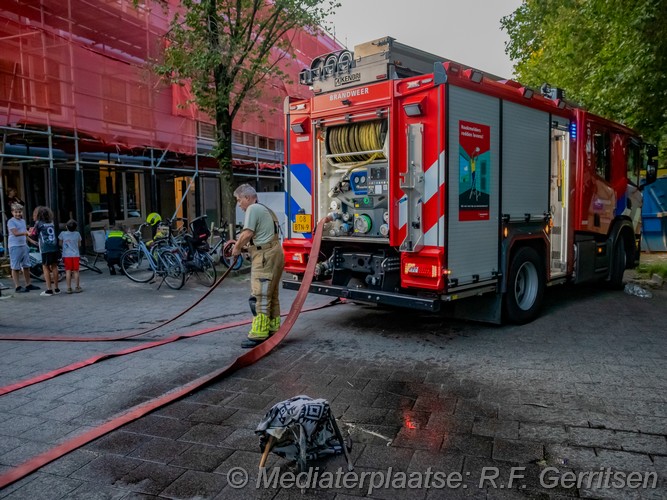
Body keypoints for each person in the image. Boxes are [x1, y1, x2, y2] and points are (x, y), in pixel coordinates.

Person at [231, 184, 284, 348]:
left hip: (264, 257)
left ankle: (259, 333)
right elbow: (263, 235)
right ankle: (273, 328)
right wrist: (248, 248)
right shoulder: (266, 209)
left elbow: (247, 233)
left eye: (239, 200)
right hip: (275, 253)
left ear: (247, 198)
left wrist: (237, 248)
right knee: (271, 294)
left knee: (259, 295)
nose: (239, 205)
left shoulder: (253, 209)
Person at [6, 203, 40, 293]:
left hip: (23, 245)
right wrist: (26, 233)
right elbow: (15, 233)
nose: (18, 214)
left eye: (19, 212)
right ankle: (17, 286)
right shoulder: (11, 222)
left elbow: (24, 233)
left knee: (26, 266)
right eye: (16, 212)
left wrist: (31, 241)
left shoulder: (23, 221)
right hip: (14, 245)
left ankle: (28, 284)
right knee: (15, 267)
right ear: (12, 212)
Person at [32, 206, 60, 296]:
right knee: (55, 266)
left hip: (45, 248)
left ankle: (49, 289)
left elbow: (33, 234)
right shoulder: (51, 223)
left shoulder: (38, 223)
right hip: (54, 246)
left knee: (45, 267)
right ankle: (56, 288)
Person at [59, 219, 82, 293]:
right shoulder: (77, 234)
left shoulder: (62, 234)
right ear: (75, 228)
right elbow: (79, 245)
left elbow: (60, 243)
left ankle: (69, 288)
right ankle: (77, 287)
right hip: (75, 255)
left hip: (66, 255)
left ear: (66, 227)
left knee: (68, 271)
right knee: (76, 271)